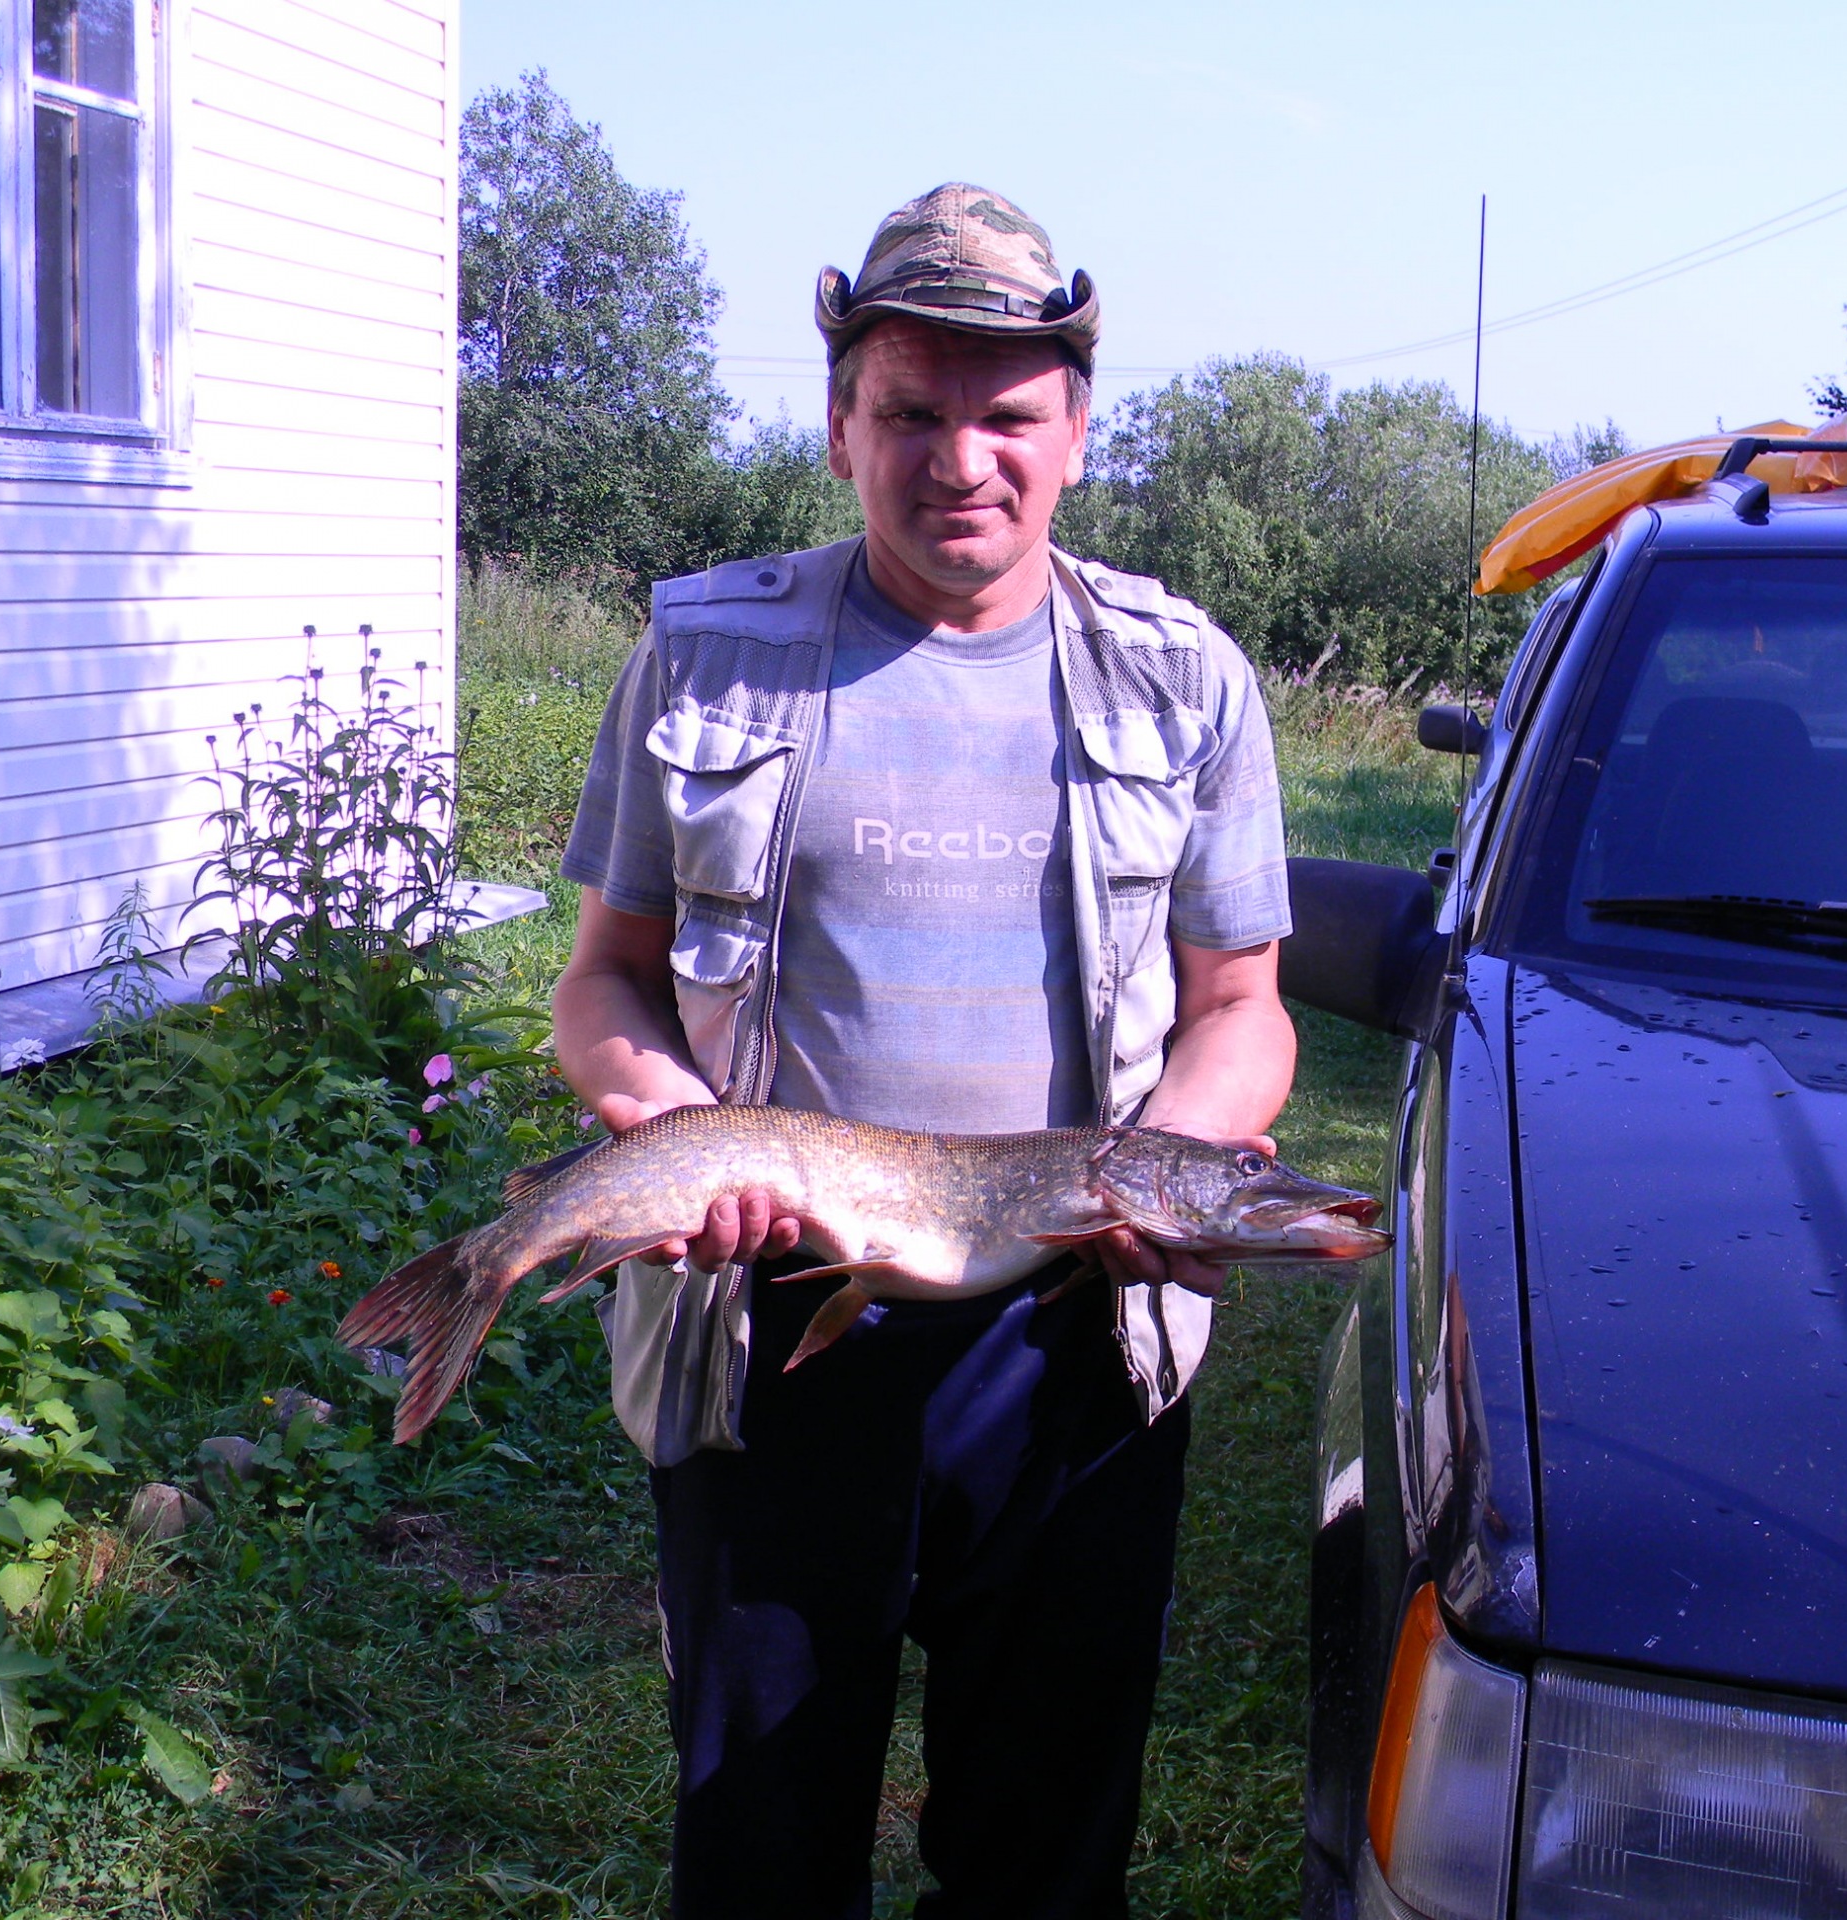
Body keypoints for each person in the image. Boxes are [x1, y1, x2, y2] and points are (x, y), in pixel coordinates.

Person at [551, 183, 1296, 1919]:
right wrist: (680, 1133)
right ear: (840, 427)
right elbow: (603, 984)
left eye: (1008, 414)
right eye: (910, 411)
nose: (962, 459)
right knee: (761, 1850)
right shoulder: (705, 658)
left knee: (1042, 1864)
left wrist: (1168, 1170)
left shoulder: (1186, 681)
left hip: (1076, 1339)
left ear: (1077, 432)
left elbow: (1242, 1006)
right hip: (771, 1336)